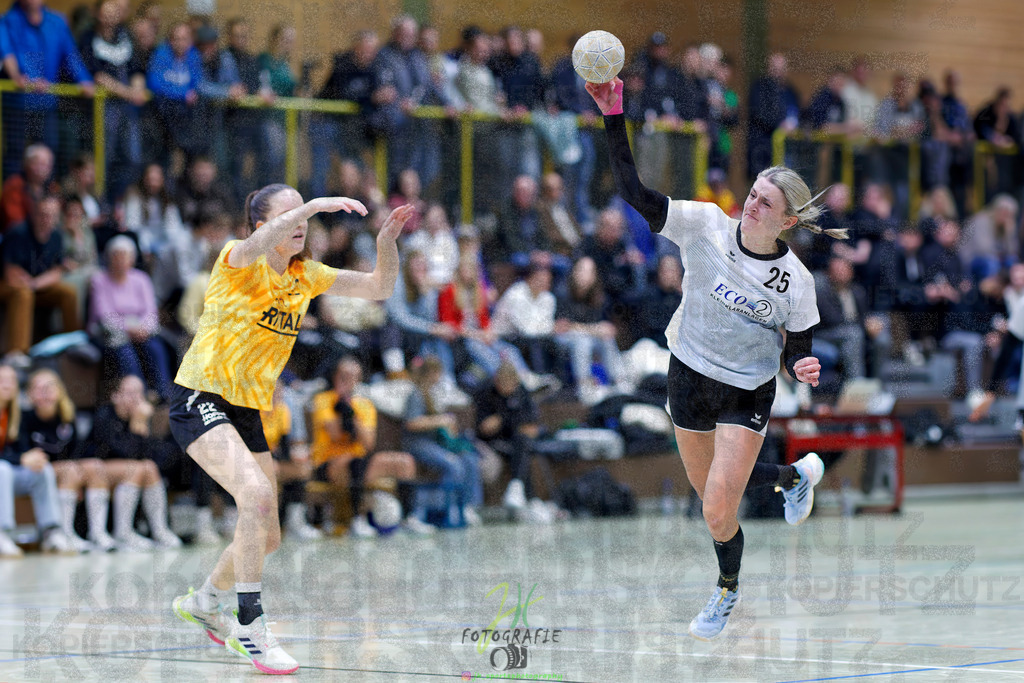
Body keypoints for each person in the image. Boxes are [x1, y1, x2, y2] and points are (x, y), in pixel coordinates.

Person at [587, 77, 837, 640]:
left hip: (747, 389)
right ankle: (794, 476)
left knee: (719, 508)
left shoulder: (796, 281)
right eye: (752, 194)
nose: (752, 205)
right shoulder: (704, 226)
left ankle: (726, 591)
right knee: (713, 499)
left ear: (787, 221)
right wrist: (613, 114)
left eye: (766, 203)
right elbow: (634, 192)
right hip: (688, 374)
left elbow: (798, 346)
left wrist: (801, 365)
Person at [168, 181, 412, 674]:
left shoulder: (306, 275)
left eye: (305, 215)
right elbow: (254, 245)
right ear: (263, 225)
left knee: (268, 535)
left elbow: (380, 287)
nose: (303, 222)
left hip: (247, 410)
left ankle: (205, 602)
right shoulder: (237, 258)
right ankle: (250, 626)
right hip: (200, 396)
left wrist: (386, 244)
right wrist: (315, 204)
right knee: (255, 494)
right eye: (292, 214)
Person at [310, 357, 433, 537]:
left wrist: (351, 412)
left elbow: (368, 444)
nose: (348, 381)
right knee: (351, 461)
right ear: (335, 377)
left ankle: (409, 517)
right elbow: (335, 434)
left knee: (404, 462)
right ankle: (356, 520)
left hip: (360, 462)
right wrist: (340, 404)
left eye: (354, 377)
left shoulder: (364, 404)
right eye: (344, 376)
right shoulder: (323, 400)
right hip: (328, 463)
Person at [87, 374, 183, 549]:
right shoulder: (105, 415)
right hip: (95, 470)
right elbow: (121, 453)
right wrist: (138, 423)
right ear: (116, 396)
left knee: (149, 467)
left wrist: (141, 424)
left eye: (139, 393)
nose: (135, 399)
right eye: (129, 393)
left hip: (124, 472)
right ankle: (123, 533)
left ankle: (160, 530)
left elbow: (151, 457)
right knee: (136, 468)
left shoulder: (139, 417)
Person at [0, 364, 71, 556]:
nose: (6, 385)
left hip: (8, 476)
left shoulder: (16, 415)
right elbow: (17, 457)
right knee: (3, 469)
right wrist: (21, 458)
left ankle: (51, 533)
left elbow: (21, 450)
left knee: (42, 469)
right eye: (2, 380)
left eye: (11, 380)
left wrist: (31, 459)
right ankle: (2, 533)